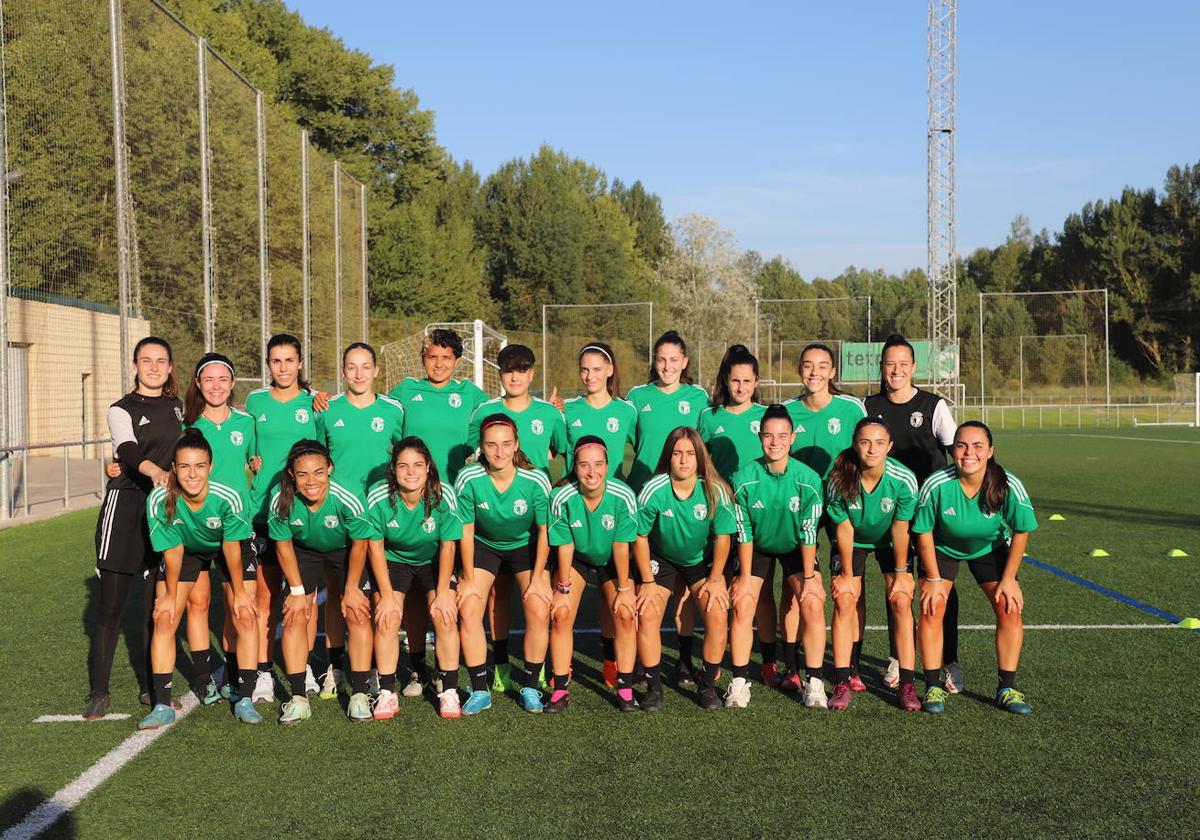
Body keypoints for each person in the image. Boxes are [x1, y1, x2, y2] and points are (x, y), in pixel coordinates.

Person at [84, 337, 184, 719]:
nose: (154, 367)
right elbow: (126, 450)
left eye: (161, 361)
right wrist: (154, 471)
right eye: (147, 360)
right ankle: (99, 691)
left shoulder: (177, 408)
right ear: (135, 365)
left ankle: (149, 685)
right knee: (111, 607)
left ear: (171, 366)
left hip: (163, 511)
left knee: (153, 608)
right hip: (125, 509)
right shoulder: (120, 409)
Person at [912, 421, 1037, 715]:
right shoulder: (937, 483)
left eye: (978, 446)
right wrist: (931, 578)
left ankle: (1007, 688)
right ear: (953, 449)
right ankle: (932, 684)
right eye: (961, 445)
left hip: (989, 548)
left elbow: (1022, 530)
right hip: (941, 547)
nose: (969, 452)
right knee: (932, 606)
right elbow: (924, 533)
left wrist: (1009, 579)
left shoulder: (1007, 484)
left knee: (1010, 606)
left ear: (990, 451)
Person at [389, 328, 489, 693]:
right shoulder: (404, 392)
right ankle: (417, 668)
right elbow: (374, 412)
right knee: (416, 594)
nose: (439, 363)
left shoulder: (472, 396)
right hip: (410, 503)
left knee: (453, 591)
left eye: (447, 358)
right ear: (423, 358)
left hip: (453, 507)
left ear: (458, 362)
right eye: (433, 356)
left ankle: (466, 667)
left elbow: (501, 422)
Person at [138, 430, 259, 728]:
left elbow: (231, 547)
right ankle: (163, 704)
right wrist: (167, 596)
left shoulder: (228, 496)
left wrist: (241, 591)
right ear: (174, 468)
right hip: (187, 547)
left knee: (244, 614)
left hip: (229, 544)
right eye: (185, 467)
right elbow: (174, 551)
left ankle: (244, 697)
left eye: (200, 466)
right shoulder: (159, 499)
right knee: (165, 618)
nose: (192, 474)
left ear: (210, 466)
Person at [864, 334, 959, 692]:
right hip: (888, 515)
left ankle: (948, 661)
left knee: (937, 587)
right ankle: (897, 657)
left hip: (930, 516)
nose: (897, 370)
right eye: (890, 364)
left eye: (904, 364)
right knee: (897, 587)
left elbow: (959, 454)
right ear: (882, 367)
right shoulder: (868, 406)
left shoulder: (934, 406)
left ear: (914, 367)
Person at [314, 342, 405, 696]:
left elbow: (405, 455)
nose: (359, 373)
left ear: (376, 371)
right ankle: (336, 667)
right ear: (342, 371)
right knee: (338, 593)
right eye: (351, 366)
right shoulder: (326, 409)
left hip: (383, 517)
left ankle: (386, 668)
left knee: (384, 592)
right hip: (340, 517)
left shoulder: (394, 410)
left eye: (365, 366)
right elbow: (317, 458)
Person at [776, 343, 866, 688]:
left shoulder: (851, 408)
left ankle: (852, 666)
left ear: (832, 372)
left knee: (851, 584)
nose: (814, 372)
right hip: (799, 509)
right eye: (808, 366)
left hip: (842, 505)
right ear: (800, 370)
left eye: (822, 366)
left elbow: (869, 449)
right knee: (795, 586)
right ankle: (792, 666)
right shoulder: (786, 410)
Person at [267, 440, 374, 725]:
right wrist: (297, 591)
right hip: (303, 551)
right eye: (302, 474)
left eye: (318, 472)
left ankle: (359, 694)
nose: (311, 481)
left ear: (330, 469)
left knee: (357, 611)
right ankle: (299, 697)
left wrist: (351, 588)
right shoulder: (281, 499)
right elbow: (283, 546)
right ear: (291, 474)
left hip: (344, 549)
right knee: (293, 615)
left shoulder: (347, 495)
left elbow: (360, 544)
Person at [626, 331, 709, 688]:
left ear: (685, 362)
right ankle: (640, 664)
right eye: (661, 359)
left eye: (674, 360)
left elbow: (702, 448)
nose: (667, 366)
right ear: (653, 361)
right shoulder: (636, 397)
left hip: (686, 500)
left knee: (685, 592)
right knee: (646, 588)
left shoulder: (699, 398)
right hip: (645, 500)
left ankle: (685, 661)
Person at [633, 427, 737, 711]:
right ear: (669, 456)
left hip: (699, 560)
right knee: (648, 612)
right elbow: (640, 537)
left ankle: (706, 686)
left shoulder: (715, 490)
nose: (683, 460)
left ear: (699, 457)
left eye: (690, 454)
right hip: (661, 558)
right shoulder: (654, 489)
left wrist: (716, 579)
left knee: (717, 613)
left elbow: (723, 537)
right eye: (677, 453)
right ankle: (654, 687)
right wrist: (647, 581)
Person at [729, 405, 825, 708]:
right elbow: (743, 532)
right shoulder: (744, 478)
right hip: (757, 544)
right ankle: (739, 682)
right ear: (759, 437)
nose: (775, 442)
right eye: (768, 435)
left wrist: (809, 579)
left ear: (793, 437)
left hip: (796, 544)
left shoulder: (808, 479)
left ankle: (815, 683)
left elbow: (809, 532)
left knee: (812, 600)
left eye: (782, 435)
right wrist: (744, 579)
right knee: (744, 600)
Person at [455, 414, 552, 713]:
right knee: (469, 606)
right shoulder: (468, 478)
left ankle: (531, 687)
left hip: (525, 547)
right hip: (485, 546)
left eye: (506, 444)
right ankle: (480, 689)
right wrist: (468, 577)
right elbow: (467, 531)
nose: (499, 451)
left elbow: (544, 531)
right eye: (491, 445)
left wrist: (538, 578)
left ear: (516, 445)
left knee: (538, 606)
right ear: (481, 447)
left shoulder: (535, 480)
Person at [364, 437, 466, 720]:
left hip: (434, 562)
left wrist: (444, 591)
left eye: (418, 465)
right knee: (387, 617)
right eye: (403, 466)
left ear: (429, 468)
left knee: (445, 615)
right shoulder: (378, 495)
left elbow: (448, 546)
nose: (411, 472)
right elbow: (375, 548)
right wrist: (385, 595)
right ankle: (386, 693)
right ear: (393, 469)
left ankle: (448, 690)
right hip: (394, 562)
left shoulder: (443, 494)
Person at [824, 417, 921, 712]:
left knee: (902, 601)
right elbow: (844, 529)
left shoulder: (903, 479)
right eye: (865, 442)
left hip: (892, 541)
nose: (871, 449)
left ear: (889, 447)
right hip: (852, 540)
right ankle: (843, 679)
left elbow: (901, 528)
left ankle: (906, 683)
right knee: (845, 599)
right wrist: (847, 575)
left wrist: (903, 573)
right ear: (855, 444)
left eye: (879, 443)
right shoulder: (839, 478)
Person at [245, 335, 322, 703]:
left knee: (304, 599)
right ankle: (262, 672)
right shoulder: (255, 402)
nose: (283, 367)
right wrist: (252, 463)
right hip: (263, 511)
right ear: (268, 364)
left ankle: (302, 666)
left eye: (289, 360)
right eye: (276, 361)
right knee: (265, 598)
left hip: (302, 514)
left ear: (300, 362)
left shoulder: (315, 403)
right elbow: (248, 450)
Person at [560, 342, 637, 687]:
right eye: (584, 369)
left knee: (613, 601)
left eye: (596, 369)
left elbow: (645, 447)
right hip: (577, 511)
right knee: (564, 602)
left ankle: (610, 661)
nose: (590, 375)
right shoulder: (566, 410)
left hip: (612, 514)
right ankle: (561, 667)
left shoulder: (627, 411)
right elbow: (551, 447)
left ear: (610, 370)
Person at [546, 436, 640, 712]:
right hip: (576, 557)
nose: (591, 472)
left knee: (624, 613)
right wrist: (562, 589)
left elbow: (621, 546)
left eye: (598, 464)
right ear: (574, 466)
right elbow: (565, 545)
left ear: (608, 465)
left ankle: (624, 686)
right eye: (584, 465)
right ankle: (560, 688)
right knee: (561, 615)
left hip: (613, 558)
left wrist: (624, 590)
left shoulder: (623, 496)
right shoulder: (561, 496)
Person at [468, 344, 566, 476]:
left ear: (531, 374)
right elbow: (463, 451)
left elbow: (567, 452)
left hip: (537, 495)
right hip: (495, 495)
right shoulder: (484, 412)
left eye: (521, 371)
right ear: (500, 374)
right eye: (508, 371)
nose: (514, 378)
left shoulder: (550, 413)